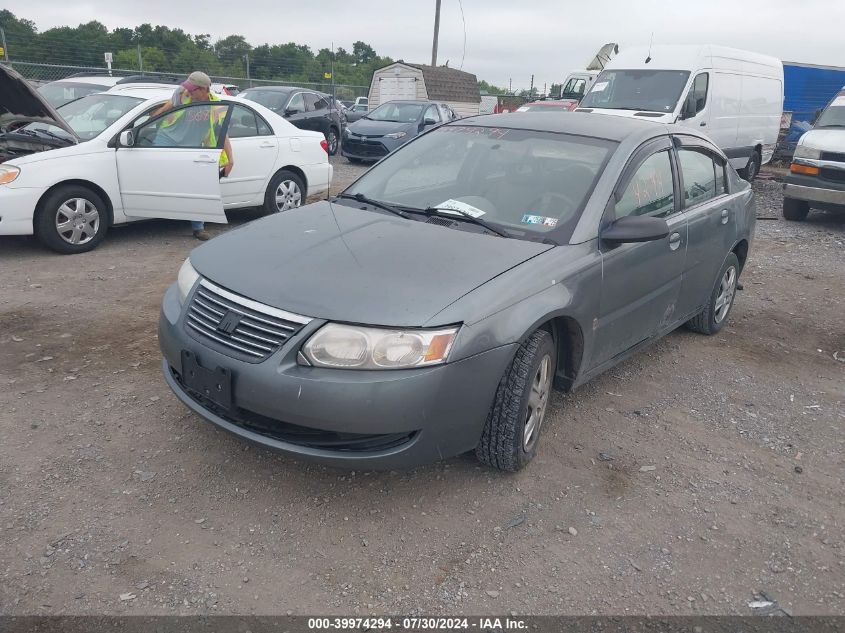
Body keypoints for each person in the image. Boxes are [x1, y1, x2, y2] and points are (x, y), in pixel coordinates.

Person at [151, 71, 234, 241]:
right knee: (157, 176)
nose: (188, 91)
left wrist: (230, 159)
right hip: (167, 139)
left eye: (193, 89)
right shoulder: (182, 92)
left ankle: (198, 228)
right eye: (188, 87)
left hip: (192, 148)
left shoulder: (216, 106)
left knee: (197, 187)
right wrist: (153, 118)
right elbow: (169, 106)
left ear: (204, 89)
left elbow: (222, 134)